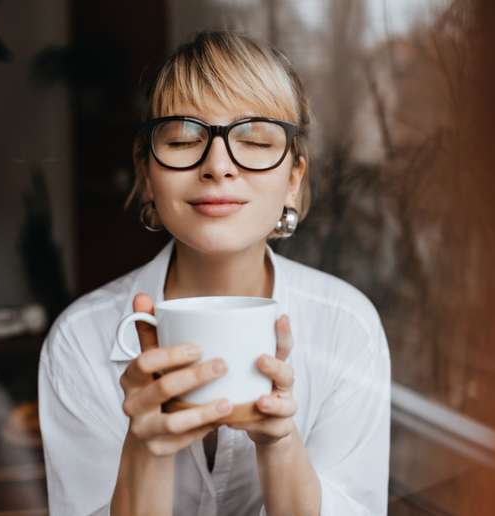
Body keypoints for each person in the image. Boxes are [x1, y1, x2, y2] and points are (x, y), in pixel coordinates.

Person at [38, 31, 390, 516]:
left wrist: (280, 442)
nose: (218, 166)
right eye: (184, 139)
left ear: (293, 178)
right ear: (146, 176)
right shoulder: (80, 339)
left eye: (255, 139)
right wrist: (145, 449)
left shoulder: (348, 327)